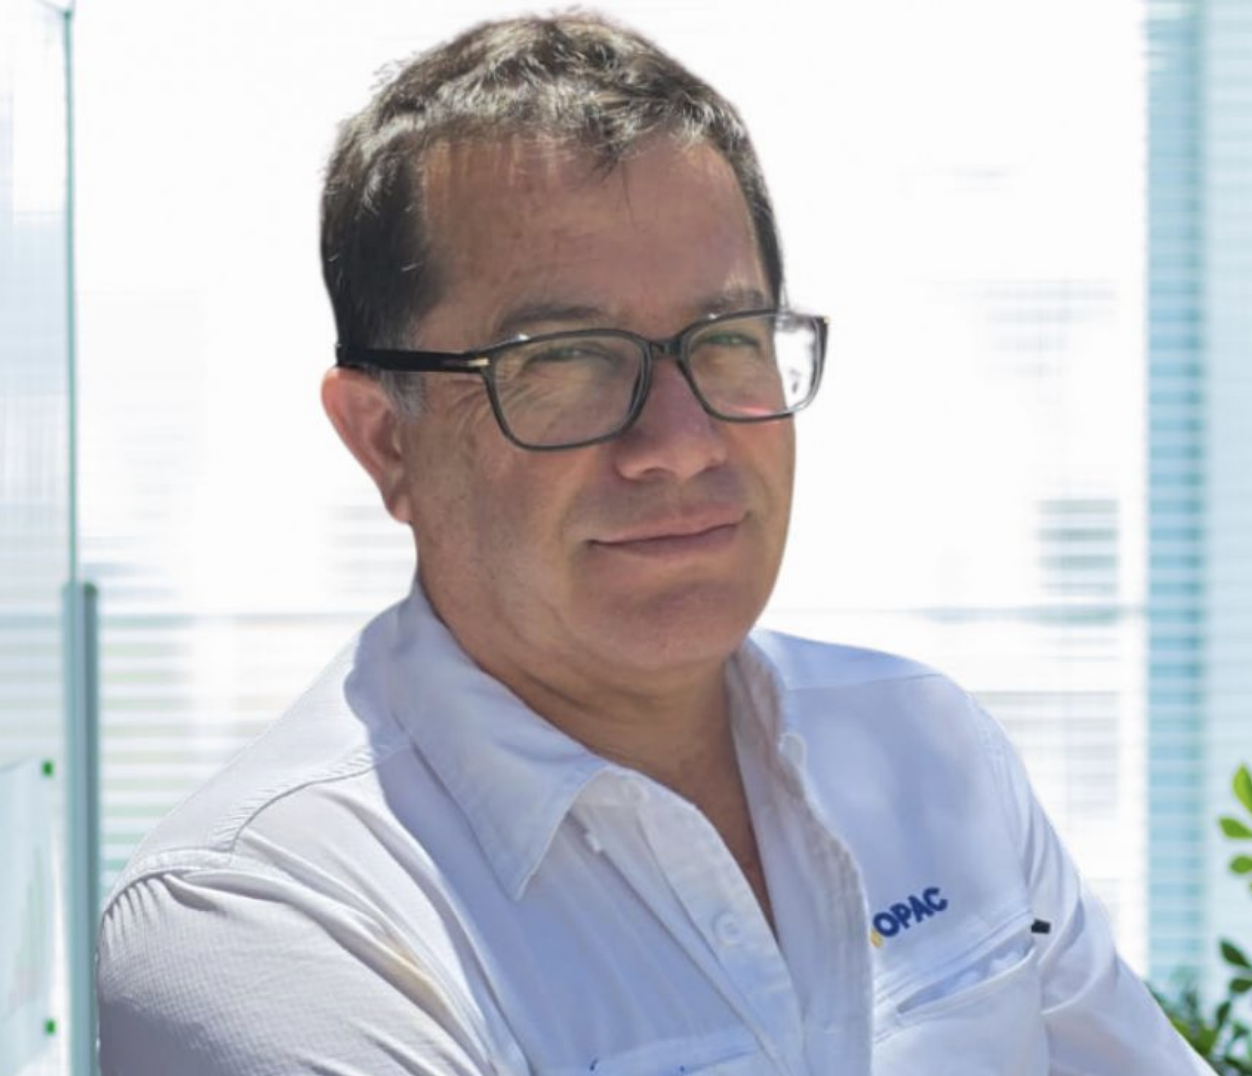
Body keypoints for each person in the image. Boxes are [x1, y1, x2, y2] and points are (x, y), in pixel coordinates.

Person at [96, 13, 1208, 1075]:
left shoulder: (927, 751)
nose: (680, 443)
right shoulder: (266, 912)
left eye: (727, 340)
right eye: (566, 357)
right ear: (387, 439)